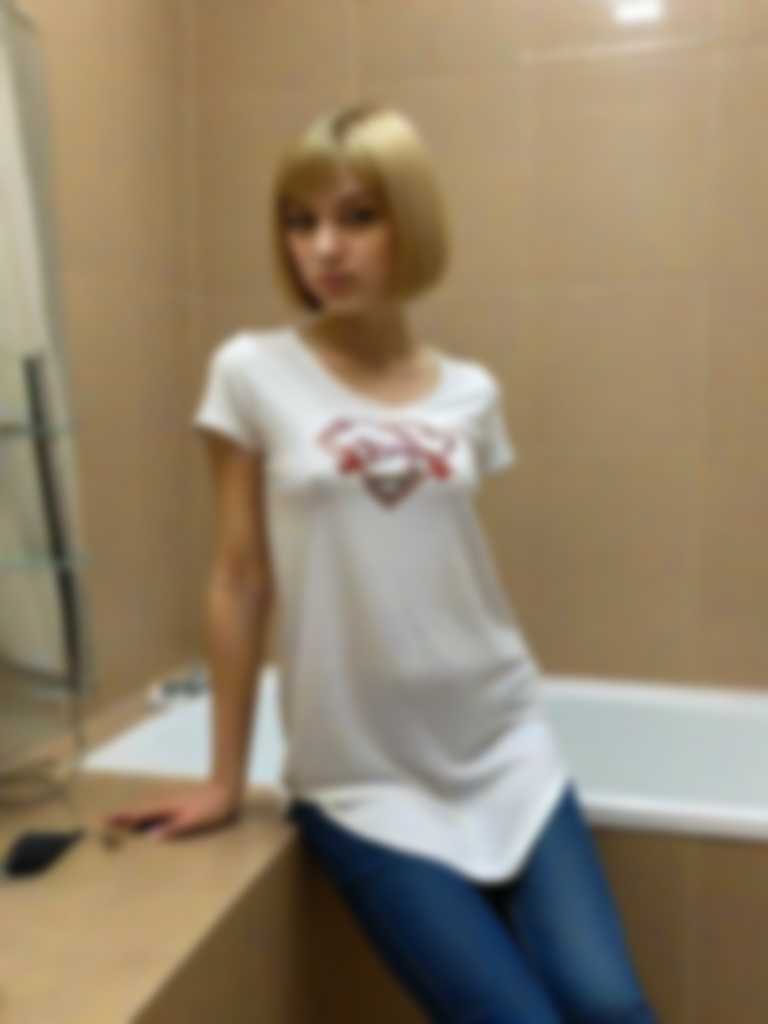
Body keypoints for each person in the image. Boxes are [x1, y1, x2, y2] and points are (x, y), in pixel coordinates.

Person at [104, 102, 659, 1023]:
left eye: (358, 216)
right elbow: (240, 578)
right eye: (301, 221)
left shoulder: (472, 391)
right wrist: (224, 778)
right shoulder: (251, 371)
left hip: (501, 741)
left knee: (612, 1009)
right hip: (362, 775)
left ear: (412, 222)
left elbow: (440, 566)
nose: (324, 247)